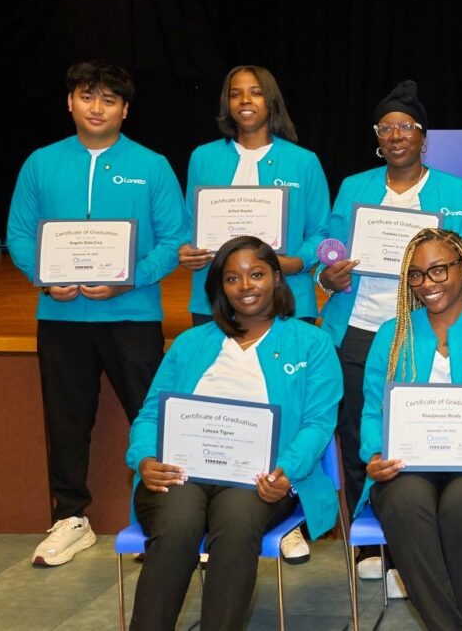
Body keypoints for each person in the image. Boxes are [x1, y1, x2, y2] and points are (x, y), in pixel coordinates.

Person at [6, 60, 187, 567]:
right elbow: (20, 234)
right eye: (87, 97)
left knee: (149, 419)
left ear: (125, 110)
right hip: (60, 318)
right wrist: (43, 276)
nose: (97, 107)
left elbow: (175, 239)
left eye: (109, 100)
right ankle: (70, 518)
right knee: (65, 421)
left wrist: (130, 277)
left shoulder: (152, 165)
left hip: (132, 315)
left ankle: (162, 521)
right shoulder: (40, 163)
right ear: (70, 103)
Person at [125, 236, 341, 630]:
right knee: (177, 526)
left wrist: (285, 471)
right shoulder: (191, 343)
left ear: (277, 278)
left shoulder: (312, 343)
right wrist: (144, 457)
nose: (245, 286)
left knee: (238, 523)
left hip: (259, 478)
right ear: (219, 287)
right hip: (181, 473)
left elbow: (318, 423)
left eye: (256, 274)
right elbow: (152, 414)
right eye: (232, 278)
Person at [318, 79, 462, 581]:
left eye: (405, 127)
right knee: (357, 433)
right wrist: (330, 273)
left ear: (422, 137)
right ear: (376, 137)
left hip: (425, 332)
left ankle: (417, 530)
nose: (395, 136)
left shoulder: (456, 193)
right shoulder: (354, 188)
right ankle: (370, 535)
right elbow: (328, 249)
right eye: (386, 128)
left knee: (421, 429)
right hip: (361, 328)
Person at [358, 228, 462, 628]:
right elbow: (372, 410)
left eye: (438, 271)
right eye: (416, 275)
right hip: (406, 465)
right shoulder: (393, 334)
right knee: (403, 503)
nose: (427, 284)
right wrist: (374, 455)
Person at [179, 66, 329, 324]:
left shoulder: (304, 162)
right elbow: (188, 226)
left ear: (271, 101)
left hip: (287, 296)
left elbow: (321, 232)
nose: (245, 100)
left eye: (256, 93)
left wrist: (297, 262)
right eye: (235, 94)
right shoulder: (203, 158)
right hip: (215, 299)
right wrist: (186, 250)